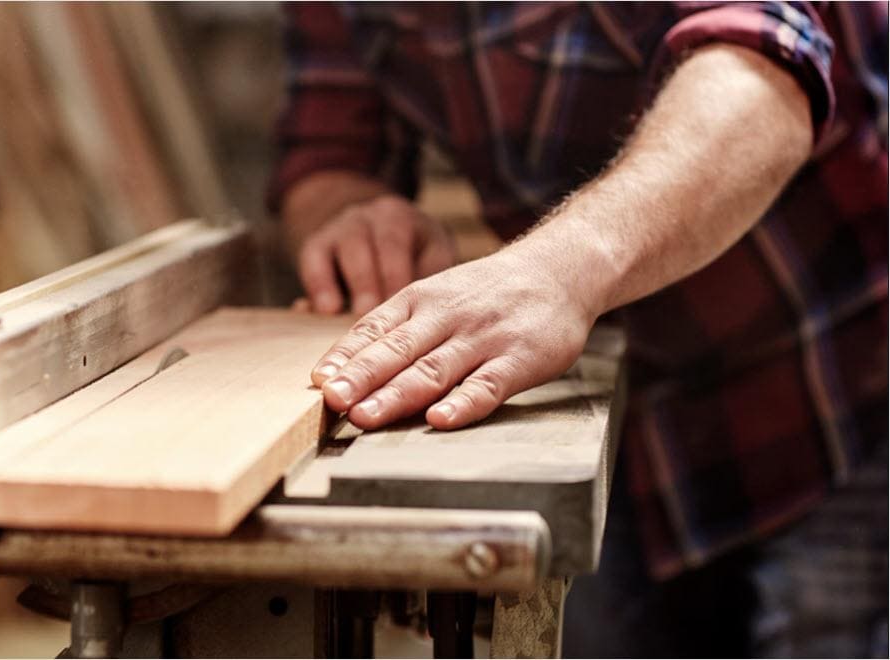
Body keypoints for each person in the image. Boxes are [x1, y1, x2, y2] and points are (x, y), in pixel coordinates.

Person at [267, 3, 887, 656]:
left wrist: (560, 272)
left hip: (833, 390)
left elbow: (763, 71)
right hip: (616, 419)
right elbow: (327, 146)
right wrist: (348, 215)